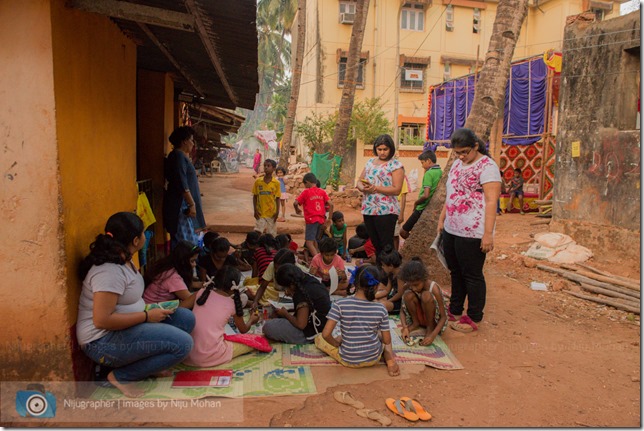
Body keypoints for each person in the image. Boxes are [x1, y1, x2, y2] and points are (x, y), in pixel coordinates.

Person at [76, 212, 195, 398]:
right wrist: (147, 316)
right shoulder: (109, 271)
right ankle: (121, 376)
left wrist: (150, 311)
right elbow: (102, 320)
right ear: (135, 240)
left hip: (128, 326)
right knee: (183, 344)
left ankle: (147, 367)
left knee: (185, 318)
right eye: (144, 234)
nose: (146, 238)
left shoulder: (124, 257)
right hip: (102, 341)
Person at [437, 128, 501, 331]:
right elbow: (451, 194)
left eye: (465, 152)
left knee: (472, 274)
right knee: (455, 271)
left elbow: (492, 201)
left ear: (475, 146)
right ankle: (455, 309)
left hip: (473, 231)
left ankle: (474, 316)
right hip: (452, 228)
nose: (461, 156)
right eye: (458, 153)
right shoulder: (457, 164)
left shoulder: (487, 167)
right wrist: (442, 219)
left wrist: (487, 234)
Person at [314, 265, 400, 376]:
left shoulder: (340, 305)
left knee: (319, 338)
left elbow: (326, 334)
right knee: (381, 334)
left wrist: (336, 344)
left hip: (348, 359)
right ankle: (390, 360)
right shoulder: (381, 308)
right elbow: (387, 340)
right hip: (373, 358)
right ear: (377, 286)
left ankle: (343, 342)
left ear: (355, 283)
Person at [184, 266, 260, 367]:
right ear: (235, 286)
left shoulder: (201, 293)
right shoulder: (232, 304)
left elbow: (179, 310)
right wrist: (252, 320)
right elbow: (243, 329)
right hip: (211, 355)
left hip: (187, 353)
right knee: (255, 340)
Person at [356, 134, 404, 262]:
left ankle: (391, 273)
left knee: (386, 245)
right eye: (379, 149)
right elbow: (359, 181)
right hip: (369, 209)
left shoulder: (395, 165)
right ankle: (379, 271)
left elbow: (396, 189)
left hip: (386, 210)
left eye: (385, 149)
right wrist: (362, 188)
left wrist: (376, 188)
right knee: (375, 244)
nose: (382, 152)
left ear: (391, 149)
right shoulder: (370, 162)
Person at [263, 263, 331, 344]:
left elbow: (301, 324)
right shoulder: (308, 279)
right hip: (326, 326)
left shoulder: (300, 293)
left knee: (268, 327)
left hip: (313, 332)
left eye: (285, 287)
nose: (285, 291)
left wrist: (285, 314)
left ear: (291, 285)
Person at [163, 126, 206, 248]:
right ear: (184, 141)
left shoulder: (180, 156)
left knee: (187, 242)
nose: (193, 144)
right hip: (181, 206)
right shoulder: (179, 156)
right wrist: (191, 204)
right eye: (192, 140)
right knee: (187, 245)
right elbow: (181, 182)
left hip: (182, 205)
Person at [398, 257, 448, 346]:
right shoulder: (409, 286)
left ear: (424, 279)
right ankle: (415, 323)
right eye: (411, 285)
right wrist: (405, 327)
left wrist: (432, 335)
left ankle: (430, 328)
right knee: (408, 294)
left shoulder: (433, 288)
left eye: (416, 285)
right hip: (420, 316)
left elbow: (444, 317)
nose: (413, 288)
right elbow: (402, 310)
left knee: (426, 295)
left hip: (433, 320)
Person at [143, 240, 199, 309]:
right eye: (192, 261)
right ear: (183, 261)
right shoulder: (173, 277)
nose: (195, 264)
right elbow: (191, 300)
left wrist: (201, 284)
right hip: (153, 311)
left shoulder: (168, 267)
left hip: (149, 305)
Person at [400, 150, 442, 240]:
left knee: (403, 231)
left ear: (428, 161)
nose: (422, 165)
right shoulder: (440, 172)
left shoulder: (429, 173)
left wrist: (416, 203)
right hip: (431, 206)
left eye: (422, 162)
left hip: (421, 207)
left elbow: (426, 195)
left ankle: (414, 242)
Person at [293, 172, 333, 260]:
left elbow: (295, 203)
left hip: (311, 220)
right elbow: (331, 204)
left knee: (309, 242)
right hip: (321, 219)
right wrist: (329, 218)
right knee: (315, 240)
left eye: (305, 184)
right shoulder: (322, 192)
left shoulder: (306, 192)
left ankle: (318, 261)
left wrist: (297, 210)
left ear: (307, 182)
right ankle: (320, 256)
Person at [252, 159, 281, 236]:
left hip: (272, 213)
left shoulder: (276, 183)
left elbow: (277, 198)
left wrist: (277, 212)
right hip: (260, 212)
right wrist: (255, 210)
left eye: (268, 166)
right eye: (264, 166)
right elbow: (255, 196)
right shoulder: (258, 182)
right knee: (257, 232)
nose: (266, 167)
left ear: (274, 168)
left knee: (271, 234)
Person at [375, 246, 404, 314]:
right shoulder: (391, 273)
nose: (382, 267)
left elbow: (400, 294)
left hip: (400, 302)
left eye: (383, 265)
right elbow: (387, 290)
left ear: (391, 266)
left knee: (382, 305)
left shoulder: (400, 275)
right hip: (393, 297)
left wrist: (389, 300)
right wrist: (375, 296)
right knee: (375, 301)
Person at [393, 175, 409, 250]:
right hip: (386, 207)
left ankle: (395, 255)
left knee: (395, 234)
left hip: (396, 207)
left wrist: (401, 214)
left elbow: (403, 197)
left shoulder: (401, 179)